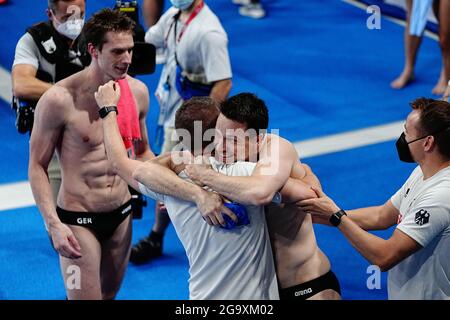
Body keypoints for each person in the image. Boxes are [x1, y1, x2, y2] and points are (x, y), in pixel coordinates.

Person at [95, 90, 279, 299]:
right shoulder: (248, 173)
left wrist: (108, 109)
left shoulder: (167, 182)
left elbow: (118, 162)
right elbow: (299, 190)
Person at [28, 8, 154, 300]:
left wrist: (165, 188)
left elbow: (143, 151)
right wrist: (53, 224)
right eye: (118, 51)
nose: (127, 60)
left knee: (108, 296)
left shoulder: (137, 92)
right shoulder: (59, 100)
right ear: (93, 50)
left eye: (131, 50)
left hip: (122, 215)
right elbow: (37, 166)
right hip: (77, 220)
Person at [183, 93, 341, 300]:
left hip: (306, 286)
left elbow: (259, 193)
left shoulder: (276, 149)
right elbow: (158, 167)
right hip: (260, 293)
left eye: (230, 140)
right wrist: (189, 192)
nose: (219, 147)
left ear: (257, 140)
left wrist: (204, 176)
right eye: (216, 136)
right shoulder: (224, 155)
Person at [298, 98, 450, 300]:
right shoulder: (422, 172)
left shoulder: (440, 196)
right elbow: (380, 216)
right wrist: (319, 215)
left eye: (407, 132)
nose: (402, 137)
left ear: (428, 142)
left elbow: (384, 257)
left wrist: (336, 217)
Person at [131, 0, 232, 264]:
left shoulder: (209, 33)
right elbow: (148, 40)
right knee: (169, 173)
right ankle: (159, 233)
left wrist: (204, 129)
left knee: (169, 173)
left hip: (194, 118)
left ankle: (164, 236)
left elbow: (223, 82)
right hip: (174, 106)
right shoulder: (174, 14)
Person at [12, 0, 89, 204]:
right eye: (66, 18)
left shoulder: (95, 36)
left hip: (94, 139)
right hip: (54, 142)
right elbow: (21, 85)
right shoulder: (33, 40)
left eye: (80, 15)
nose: (74, 23)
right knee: (58, 219)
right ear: (50, 14)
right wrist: (70, 94)